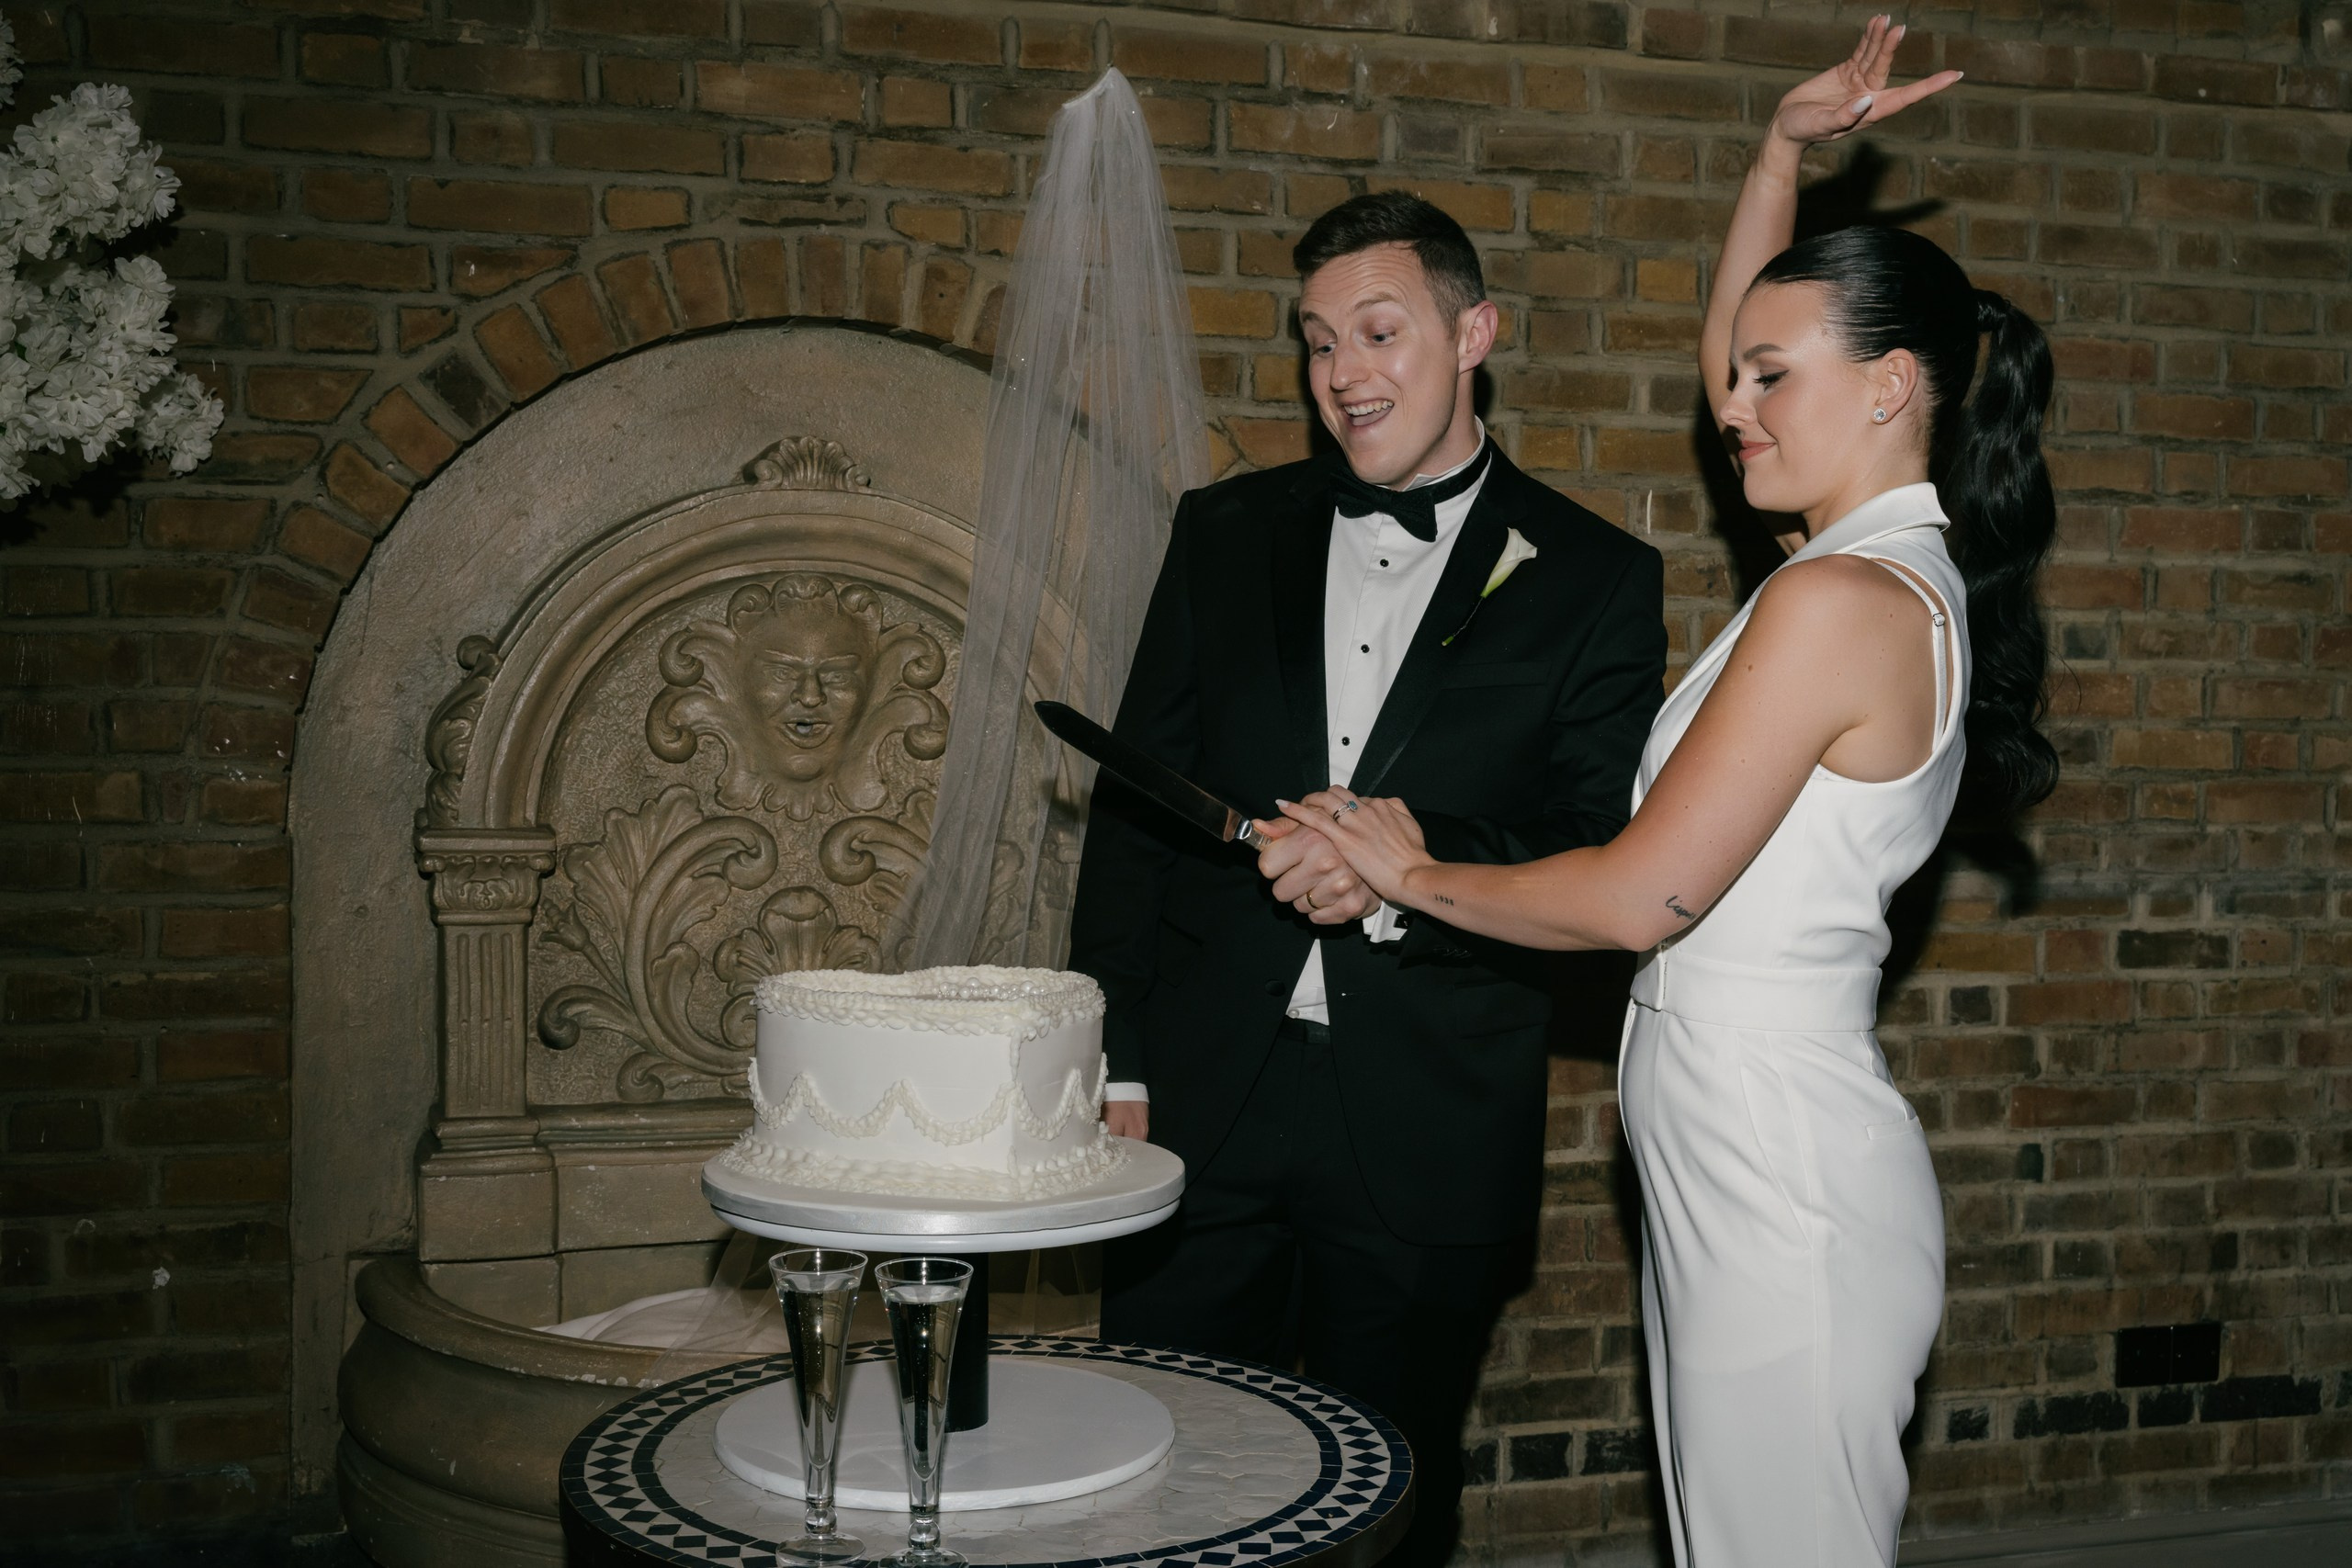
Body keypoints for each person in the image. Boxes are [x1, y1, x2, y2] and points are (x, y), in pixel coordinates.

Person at [1278, 19, 2058, 1567]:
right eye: (1742, 372)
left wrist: (1404, 868)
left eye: (1776, 379)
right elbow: (1737, 369)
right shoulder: (1861, 563)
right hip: (1738, 1146)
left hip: (1781, 1169)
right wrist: (1780, 158)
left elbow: (1646, 891)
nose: (1734, 404)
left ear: (1893, 387)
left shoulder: (1844, 601)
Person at [1066, 191, 1667, 1568]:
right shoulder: (1223, 533)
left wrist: (1398, 871)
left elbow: (1600, 846)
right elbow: (1136, 817)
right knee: (1157, 1473)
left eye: (1380, 333)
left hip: (1428, 1115)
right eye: (1319, 340)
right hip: (1198, 1110)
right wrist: (1118, 1070)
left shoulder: (1592, 576)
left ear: (1475, 335)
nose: (1344, 373)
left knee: (1378, 1505)